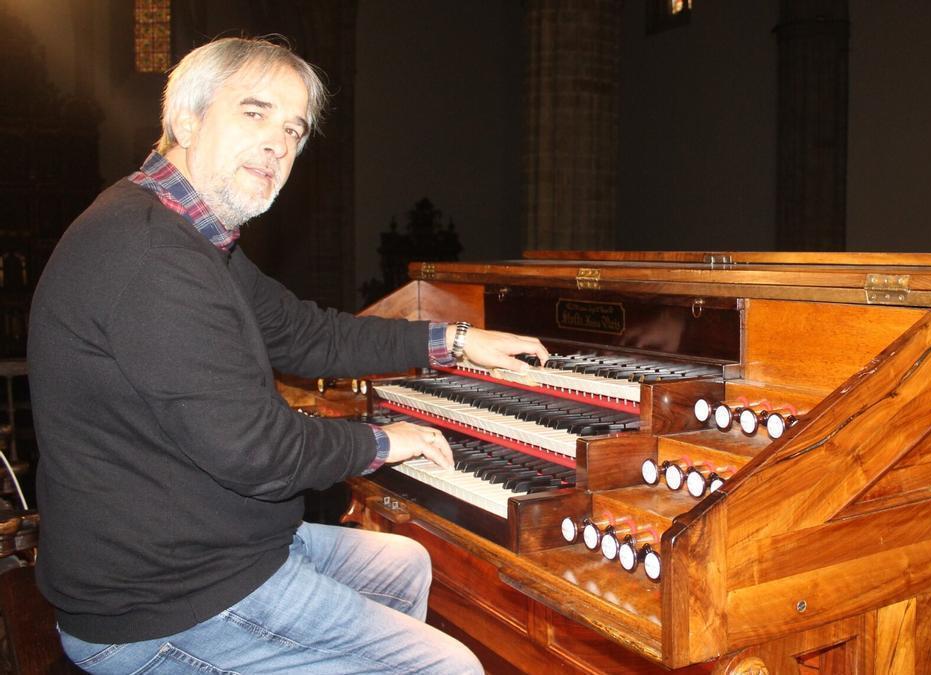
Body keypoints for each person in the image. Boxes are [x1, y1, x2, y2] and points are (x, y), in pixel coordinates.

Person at [28, 36, 548, 674]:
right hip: (161, 605)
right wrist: (381, 441)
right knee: (449, 668)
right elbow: (259, 453)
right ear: (186, 119)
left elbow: (309, 334)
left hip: (215, 549)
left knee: (406, 562)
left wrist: (459, 341)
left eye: (294, 129)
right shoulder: (151, 255)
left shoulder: (188, 233)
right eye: (255, 112)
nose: (279, 142)